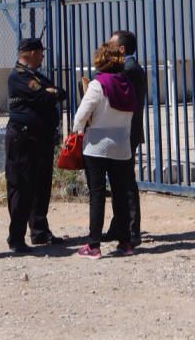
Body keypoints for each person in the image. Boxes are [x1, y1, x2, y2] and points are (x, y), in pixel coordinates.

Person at [72, 42, 136, 259]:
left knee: (97, 195)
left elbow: (80, 117)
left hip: (97, 147)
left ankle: (94, 245)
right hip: (122, 146)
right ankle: (125, 242)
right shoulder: (127, 84)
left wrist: (77, 130)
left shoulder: (97, 85)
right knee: (121, 194)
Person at [5, 38, 67, 253]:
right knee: (22, 187)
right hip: (24, 138)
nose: (42, 56)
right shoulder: (19, 76)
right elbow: (44, 97)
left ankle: (39, 231)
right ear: (30, 52)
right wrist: (50, 94)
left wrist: (52, 93)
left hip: (41, 137)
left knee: (41, 185)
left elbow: (60, 93)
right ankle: (16, 237)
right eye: (40, 52)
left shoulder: (36, 76)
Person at [103, 30, 147, 247]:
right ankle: (119, 225)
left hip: (126, 132)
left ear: (121, 49)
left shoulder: (129, 70)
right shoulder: (127, 68)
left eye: (111, 45)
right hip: (122, 131)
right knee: (117, 181)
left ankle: (131, 230)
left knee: (126, 181)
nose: (106, 49)